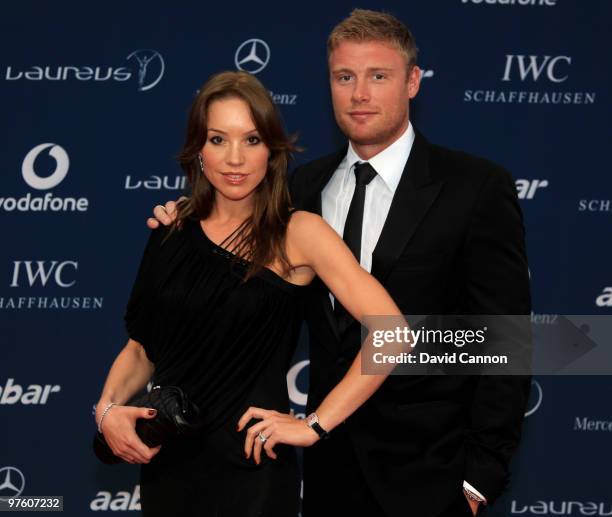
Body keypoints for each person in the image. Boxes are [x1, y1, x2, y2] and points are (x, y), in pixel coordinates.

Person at [148, 9, 531, 517]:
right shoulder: (297, 192)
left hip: (434, 477)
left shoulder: (475, 187)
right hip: (324, 471)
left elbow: (506, 338)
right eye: (344, 77)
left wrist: (480, 477)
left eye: (379, 76)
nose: (360, 94)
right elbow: (223, 273)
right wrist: (183, 220)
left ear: (413, 81)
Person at [95, 70, 407, 517]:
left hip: (252, 474)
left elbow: (392, 333)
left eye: (252, 140)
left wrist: (314, 425)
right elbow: (142, 348)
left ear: (272, 151)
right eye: (218, 140)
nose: (235, 158)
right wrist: (107, 411)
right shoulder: (171, 229)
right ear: (198, 151)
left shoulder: (298, 232)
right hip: (169, 470)